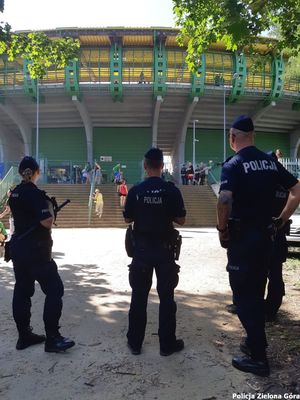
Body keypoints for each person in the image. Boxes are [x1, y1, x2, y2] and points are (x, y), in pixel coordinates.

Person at [217, 115, 300, 377]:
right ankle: (255, 342)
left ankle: (259, 358)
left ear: (233, 138)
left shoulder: (233, 165)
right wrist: (280, 219)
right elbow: (297, 189)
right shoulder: (270, 163)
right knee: (257, 290)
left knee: (243, 296)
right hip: (267, 238)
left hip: (243, 240)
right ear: (253, 135)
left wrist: (222, 229)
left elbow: (224, 200)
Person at [8, 156, 75, 353]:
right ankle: (52, 338)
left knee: (22, 291)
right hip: (37, 251)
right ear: (36, 172)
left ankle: (24, 336)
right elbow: (46, 221)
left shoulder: (15, 194)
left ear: (21, 172)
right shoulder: (35, 194)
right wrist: (51, 210)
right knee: (55, 290)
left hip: (19, 250)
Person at [123, 147, 186, 356]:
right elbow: (181, 220)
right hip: (165, 251)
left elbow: (127, 219)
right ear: (162, 166)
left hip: (141, 251)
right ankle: (167, 345)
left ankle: (135, 343)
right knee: (167, 297)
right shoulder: (171, 190)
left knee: (139, 297)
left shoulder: (136, 190)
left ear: (145, 166)